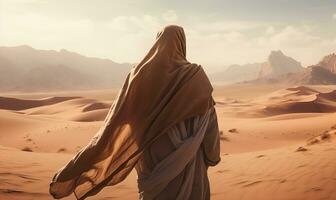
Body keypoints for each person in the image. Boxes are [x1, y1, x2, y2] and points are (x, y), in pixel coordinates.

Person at [49, 25, 221, 200]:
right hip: (191, 168)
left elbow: (116, 121)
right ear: (182, 43)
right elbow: (210, 125)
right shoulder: (196, 77)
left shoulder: (139, 77)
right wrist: (212, 157)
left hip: (153, 165)